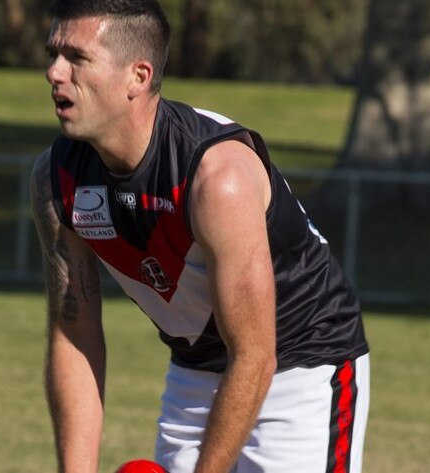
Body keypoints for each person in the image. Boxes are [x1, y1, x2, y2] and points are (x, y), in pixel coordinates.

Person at [30, 1, 370, 472]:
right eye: (53, 53)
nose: (54, 72)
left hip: (302, 364)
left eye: (76, 58)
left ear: (138, 76)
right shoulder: (57, 179)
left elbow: (255, 355)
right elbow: (74, 332)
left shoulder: (217, 177)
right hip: (197, 368)